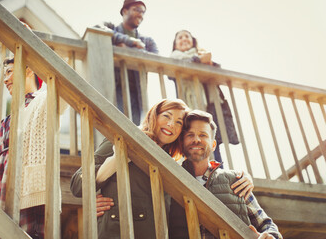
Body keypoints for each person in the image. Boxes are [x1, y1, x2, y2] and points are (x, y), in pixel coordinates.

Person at [70, 99, 254, 239]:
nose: (171, 125)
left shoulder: (173, 166)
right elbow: (78, 185)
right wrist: (120, 157)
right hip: (117, 232)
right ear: (154, 116)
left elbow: (204, 178)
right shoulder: (121, 138)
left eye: (179, 122)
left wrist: (243, 176)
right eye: (166, 116)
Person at [0, 57, 68, 238]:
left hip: (25, 194)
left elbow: (65, 79)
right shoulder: (10, 116)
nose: (5, 79)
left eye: (9, 72)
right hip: (1, 191)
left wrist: (31, 44)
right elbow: (2, 153)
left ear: (29, 70)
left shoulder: (44, 100)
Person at [168, 110, 282, 239]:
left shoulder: (236, 180)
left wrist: (271, 236)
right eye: (190, 135)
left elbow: (266, 224)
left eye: (203, 135)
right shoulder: (171, 179)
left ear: (213, 145)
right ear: (182, 143)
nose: (196, 139)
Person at [169, 30, 239, 166]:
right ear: (175, 44)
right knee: (193, 141)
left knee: (213, 142)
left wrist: (209, 63)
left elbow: (219, 71)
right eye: (180, 37)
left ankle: (217, 173)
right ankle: (197, 175)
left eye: (187, 36)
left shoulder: (202, 54)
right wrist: (199, 61)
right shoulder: (175, 58)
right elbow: (172, 72)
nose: (184, 39)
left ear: (193, 41)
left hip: (211, 106)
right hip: (192, 107)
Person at [96, 0, 158, 125]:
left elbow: (156, 59)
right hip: (114, 87)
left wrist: (128, 49)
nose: (140, 14)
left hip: (137, 93)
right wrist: (131, 41)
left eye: (143, 12)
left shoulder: (148, 41)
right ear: (125, 11)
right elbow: (97, 29)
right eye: (137, 9)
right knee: (113, 126)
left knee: (133, 129)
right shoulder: (110, 27)